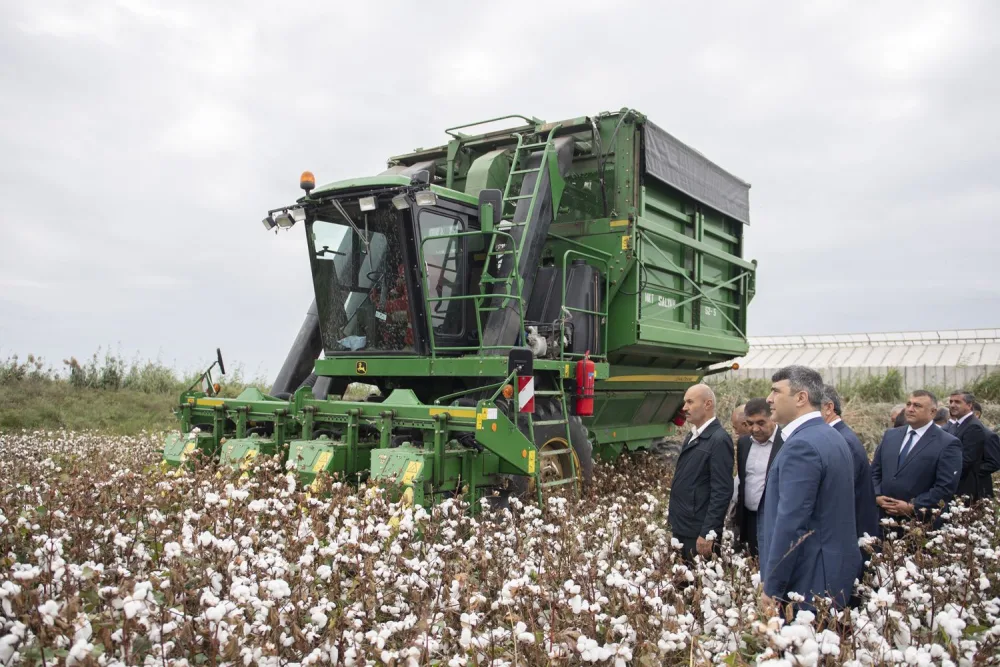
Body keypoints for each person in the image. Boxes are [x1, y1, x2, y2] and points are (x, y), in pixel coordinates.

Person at [758, 366, 860, 611]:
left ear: (801, 398)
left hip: (808, 577)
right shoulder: (830, 435)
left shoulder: (802, 446)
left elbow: (791, 522)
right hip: (831, 572)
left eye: (775, 392)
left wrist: (773, 586)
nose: (768, 399)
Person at [871, 390, 962, 524]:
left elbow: (945, 487)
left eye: (917, 406)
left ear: (932, 412)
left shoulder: (947, 443)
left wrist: (912, 507)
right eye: (908, 404)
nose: (910, 409)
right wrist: (877, 495)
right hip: (883, 518)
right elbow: (874, 471)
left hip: (921, 523)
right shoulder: (890, 436)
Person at [668, 384, 735, 562]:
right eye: (684, 402)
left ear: (707, 404)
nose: (684, 408)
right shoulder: (693, 436)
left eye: (690, 402)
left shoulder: (719, 440)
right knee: (682, 584)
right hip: (684, 526)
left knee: (696, 584)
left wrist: (708, 532)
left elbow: (722, 491)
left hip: (698, 531)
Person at [820, 385, 880, 542]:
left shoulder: (841, 441)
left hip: (849, 535)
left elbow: (838, 495)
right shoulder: (838, 436)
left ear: (828, 408)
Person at [733, 398, 783, 557]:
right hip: (749, 519)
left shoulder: (786, 442)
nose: (755, 429)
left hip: (774, 520)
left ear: (772, 418)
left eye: (761, 423)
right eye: (749, 423)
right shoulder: (744, 443)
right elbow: (743, 481)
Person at [948, 390, 986, 502]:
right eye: (951, 402)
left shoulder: (973, 427)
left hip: (964, 487)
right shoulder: (957, 424)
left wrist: (945, 473)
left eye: (957, 402)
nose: (952, 405)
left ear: (969, 405)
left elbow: (967, 460)